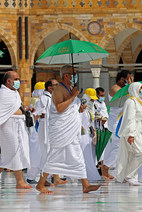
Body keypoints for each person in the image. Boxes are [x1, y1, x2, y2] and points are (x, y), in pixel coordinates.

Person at [36, 65, 101, 194]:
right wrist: (73, 96)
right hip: (62, 131)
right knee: (54, 156)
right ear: (66, 76)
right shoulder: (59, 89)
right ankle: (40, 183)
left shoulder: (69, 88)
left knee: (78, 157)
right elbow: (60, 108)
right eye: (73, 74)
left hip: (70, 131)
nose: (75, 76)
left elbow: (70, 108)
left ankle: (85, 184)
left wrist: (78, 107)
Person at [0, 71, 32, 189]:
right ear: (8, 81)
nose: (18, 82)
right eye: (16, 79)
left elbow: (15, 107)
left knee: (8, 155)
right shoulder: (1, 94)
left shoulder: (15, 93)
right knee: (15, 151)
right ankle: (20, 182)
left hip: (18, 126)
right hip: (8, 127)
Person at [115, 82, 142, 185]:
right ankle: (129, 176)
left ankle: (133, 177)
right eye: (141, 88)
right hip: (133, 132)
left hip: (140, 131)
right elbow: (130, 118)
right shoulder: (130, 102)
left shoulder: (140, 102)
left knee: (132, 154)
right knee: (140, 153)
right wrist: (131, 134)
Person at [102, 70, 133, 179]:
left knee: (113, 146)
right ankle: (106, 167)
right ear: (122, 79)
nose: (130, 80)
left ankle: (106, 167)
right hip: (116, 122)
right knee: (118, 146)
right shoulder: (115, 89)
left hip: (120, 121)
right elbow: (125, 98)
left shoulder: (123, 89)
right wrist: (130, 86)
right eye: (128, 78)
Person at [34, 79, 64, 185]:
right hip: (45, 129)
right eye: (56, 85)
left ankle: (45, 179)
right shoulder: (44, 98)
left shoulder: (53, 99)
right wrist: (32, 130)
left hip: (53, 129)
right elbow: (36, 114)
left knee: (51, 153)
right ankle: (55, 177)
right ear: (50, 88)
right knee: (48, 152)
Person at [80, 89, 101, 181]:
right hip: (83, 136)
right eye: (91, 99)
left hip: (89, 136)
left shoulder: (88, 110)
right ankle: (87, 177)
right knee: (86, 157)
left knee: (91, 158)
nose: (93, 101)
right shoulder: (80, 109)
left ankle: (89, 176)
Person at [26, 82, 45, 184]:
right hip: (36, 132)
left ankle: (49, 176)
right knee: (36, 155)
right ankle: (31, 177)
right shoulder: (37, 101)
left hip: (38, 132)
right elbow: (35, 116)